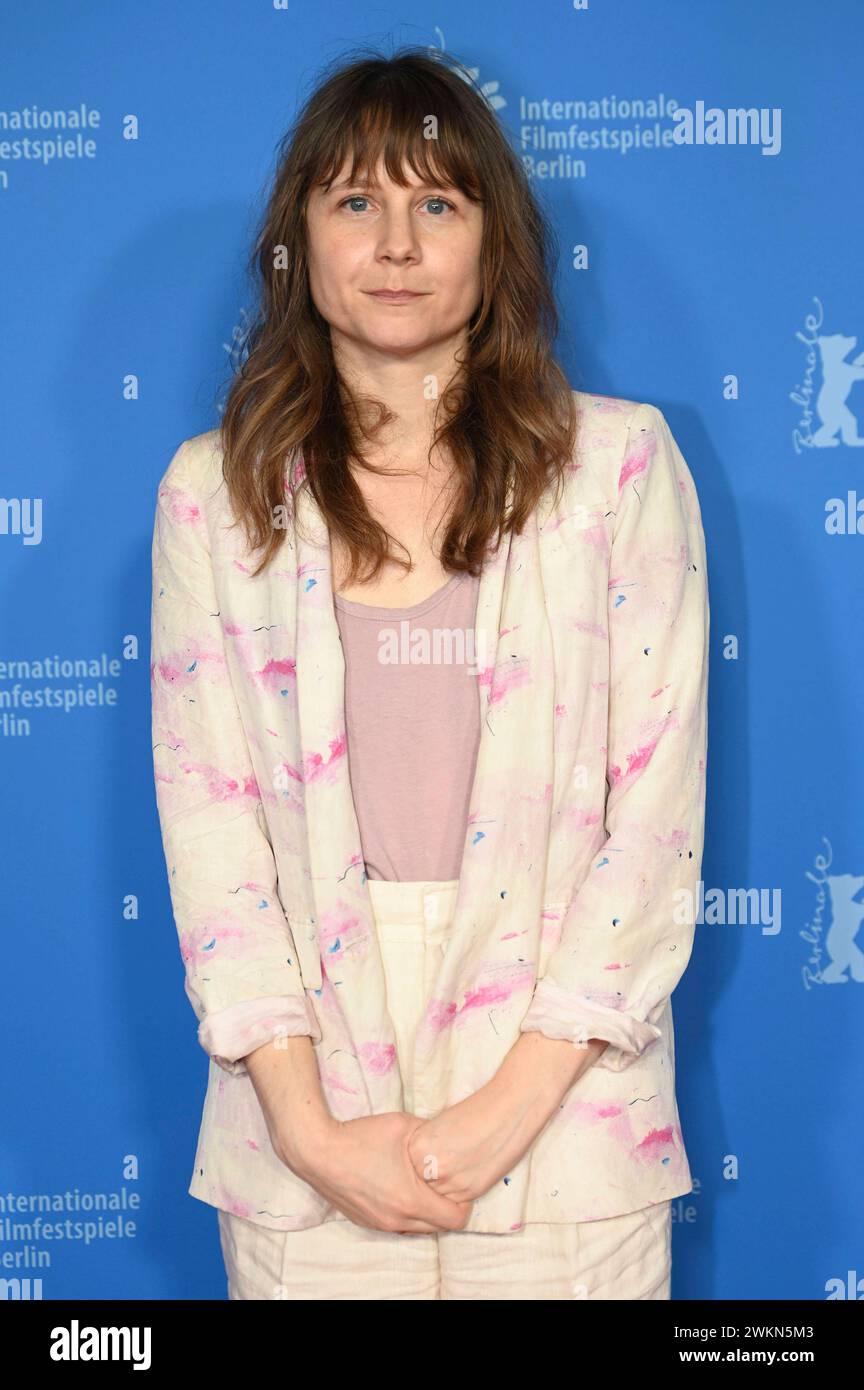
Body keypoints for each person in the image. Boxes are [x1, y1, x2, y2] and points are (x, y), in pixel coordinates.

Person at [150, 45, 710, 1301]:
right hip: (305, 1117)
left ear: (490, 240)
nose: (396, 242)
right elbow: (215, 833)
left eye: (436, 203)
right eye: (356, 201)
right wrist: (306, 1130)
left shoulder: (617, 472)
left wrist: (504, 1112)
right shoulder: (212, 496)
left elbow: (654, 821)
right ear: (299, 238)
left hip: (569, 1111)